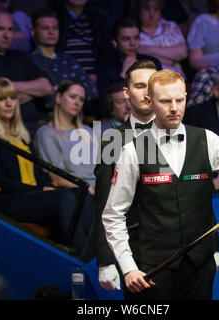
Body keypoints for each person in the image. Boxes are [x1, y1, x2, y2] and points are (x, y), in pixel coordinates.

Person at [102, 69, 219, 299]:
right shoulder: (133, 150)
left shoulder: (207, 140)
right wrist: (128, 266)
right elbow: (113, 214)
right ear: (149, 102)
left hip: (200, 263)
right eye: (165, 101)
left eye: (179, 100)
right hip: (151, 267)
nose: (174, 107)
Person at [0, 77, 94, 252]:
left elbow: (39, 173)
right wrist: (42, 190)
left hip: (30, 196)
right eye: (1, 99)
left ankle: (97, 254)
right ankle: (84, 256)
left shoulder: (21, 135)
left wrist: (48, 186)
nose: (8, 104)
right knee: (65, 198)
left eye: (12, 98)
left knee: (82, 194)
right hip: (4, 199)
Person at [95, 59, 157, 292]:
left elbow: (197, 196)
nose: (147, 92)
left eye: (152, 85)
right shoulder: (112, 140)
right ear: (126, 92)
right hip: (136, 250)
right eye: (140, 85)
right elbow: (103, 202)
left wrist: (212, 247)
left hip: (184, 249)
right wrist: (105, 260)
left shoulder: (184, 135)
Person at [0, 8, 53, 135]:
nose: (6, 35)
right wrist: (32, 93)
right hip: (2, 130)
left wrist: (8, 87)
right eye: (0, 29)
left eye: (10, 29)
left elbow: (46, 87)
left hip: (33, 125)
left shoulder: (20, 57)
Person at [30, 8, 98, 114]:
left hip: (77, 120)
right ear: (33, 32)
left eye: (55, 28)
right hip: (47, 120)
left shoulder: (67, 59)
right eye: (45, 28)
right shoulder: (30, 61)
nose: (51, 32)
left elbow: (92, 91)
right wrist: (76, 90)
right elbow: (44, 101)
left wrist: (57, 89)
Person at [34, 79, 97, 193]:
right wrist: (89, 190)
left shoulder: (87, 131)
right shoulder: (46, 133)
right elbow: (57, 178)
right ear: (58, 98)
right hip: (77, 193)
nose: (77, 103)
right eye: (72, 97)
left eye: (81, 99)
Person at [97, 17, 162, 118]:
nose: (132, 43)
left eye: (136, 38)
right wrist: (123, 76)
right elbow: (103, 105)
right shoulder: (106, 65)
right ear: (115, 42)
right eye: (126, 39)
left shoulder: (152, 63)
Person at [56, 0, 111, 82]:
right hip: (63, 80)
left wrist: (98, 76)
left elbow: (105, 53)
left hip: (94, 80)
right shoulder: (54, 17)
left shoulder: (100, 18)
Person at [134, 0, 187, 75]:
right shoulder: (133, 29)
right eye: (147, 9)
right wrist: (169, 58)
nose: (152, 14)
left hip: (175, 77)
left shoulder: (170, 26)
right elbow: (133, 55)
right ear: (139, 11)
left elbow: (182, 53)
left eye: (156, 9)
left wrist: (148, 50)